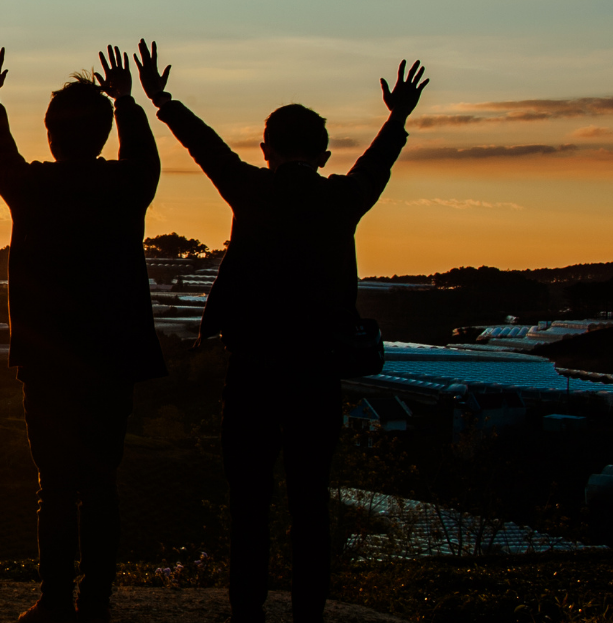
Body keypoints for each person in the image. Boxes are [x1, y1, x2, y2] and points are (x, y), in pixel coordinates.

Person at [143, 43, 428, 623]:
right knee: (310, 498)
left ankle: (246, 611)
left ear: (265, 149)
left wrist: (163, 101)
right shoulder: (341, 198)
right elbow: (377, 163)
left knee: (248, 498)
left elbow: (206, 148)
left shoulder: (252, 189)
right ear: (323, 154)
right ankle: (308, 615)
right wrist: (397, 117)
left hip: (252, 367)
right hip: (318, 369)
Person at [0, 44, 166, 623]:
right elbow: (146, 160)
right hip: (111, 359)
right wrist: (128, 102)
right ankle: (97, 601)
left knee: (54, 484)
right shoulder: (125, 188)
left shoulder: (34, 190)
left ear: (52, 135)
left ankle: (55, 599)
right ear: (105, 134)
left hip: (48, 360)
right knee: (100, 482)